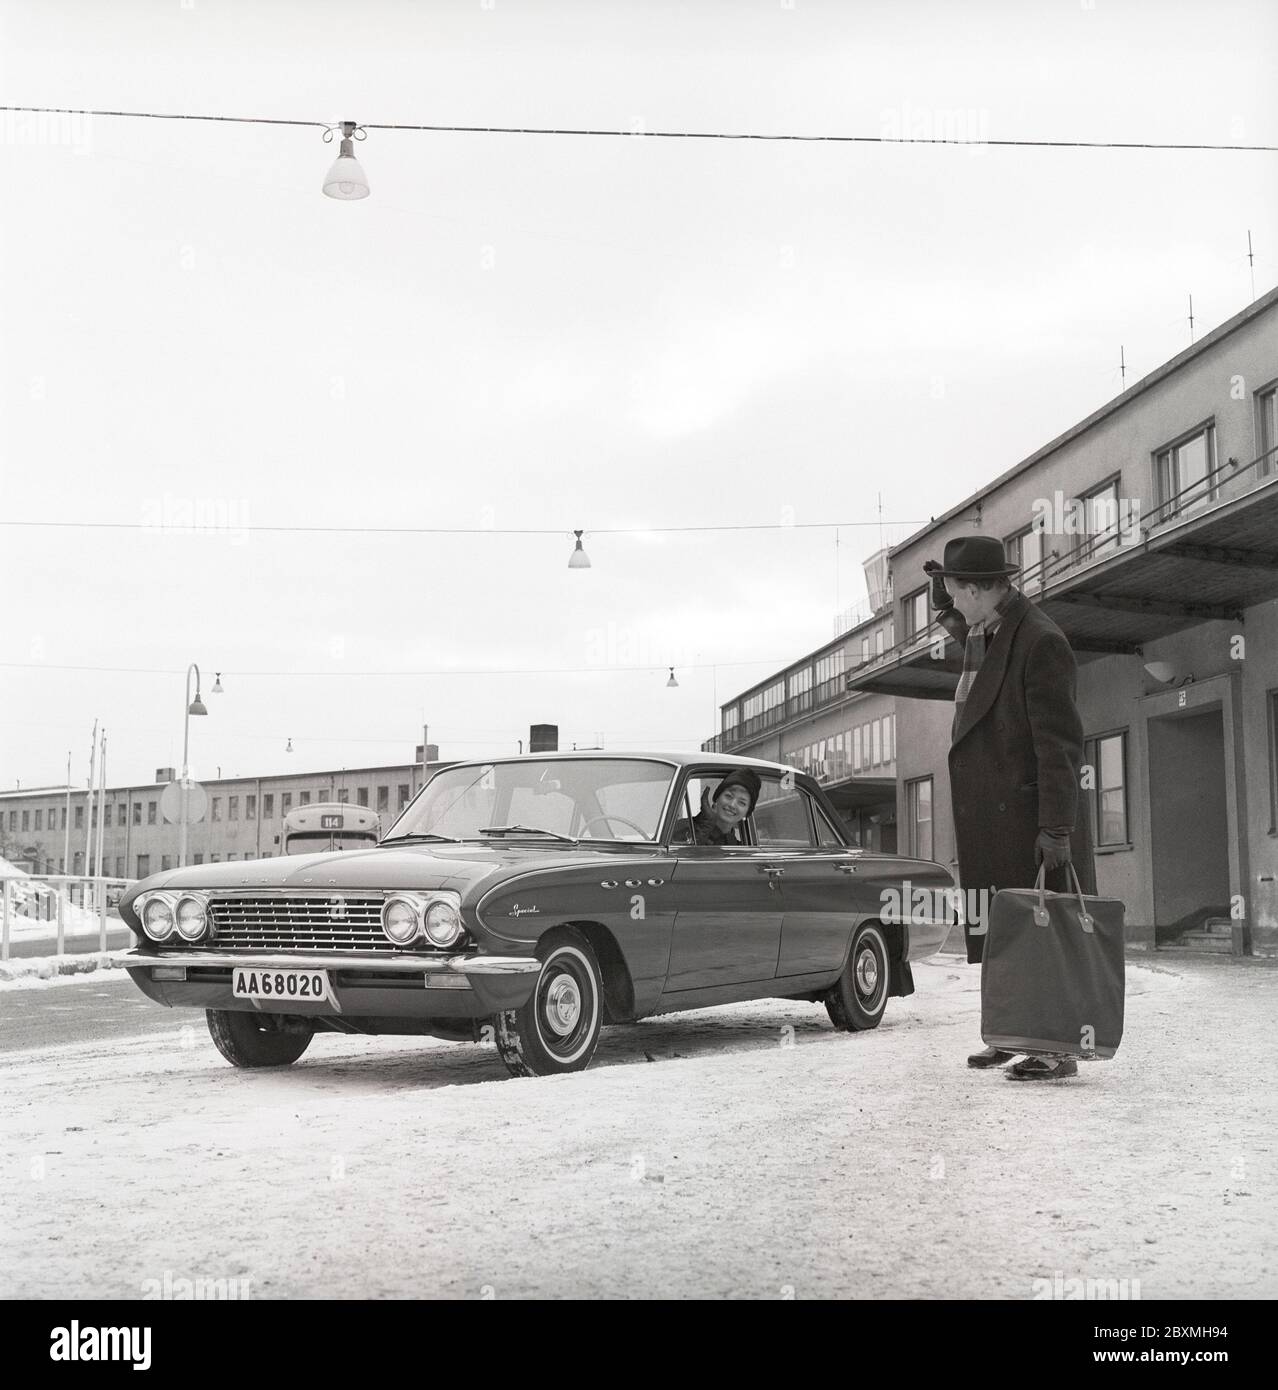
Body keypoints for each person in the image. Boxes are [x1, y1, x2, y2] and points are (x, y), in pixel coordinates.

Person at [923, 536, 1096, 1081]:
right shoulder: (989, 628)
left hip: (1028, 817)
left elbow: (1060, 745)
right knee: (1002, 928)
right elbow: (957, 622)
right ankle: (1007, 1030)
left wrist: (1057, 828)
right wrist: (940, 594)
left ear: (977, 589)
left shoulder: (1041, 640)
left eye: (954, 589)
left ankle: (1059, 1046)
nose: (950, 602)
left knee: (1044, 931)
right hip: (994, 817)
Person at [671, 769, 761, 845]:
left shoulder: (740, 850)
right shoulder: (683, 827)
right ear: (717, 798)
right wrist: (703, 829)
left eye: (741, 803)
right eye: (729, 796)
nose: (732, 805)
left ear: (747, 813)